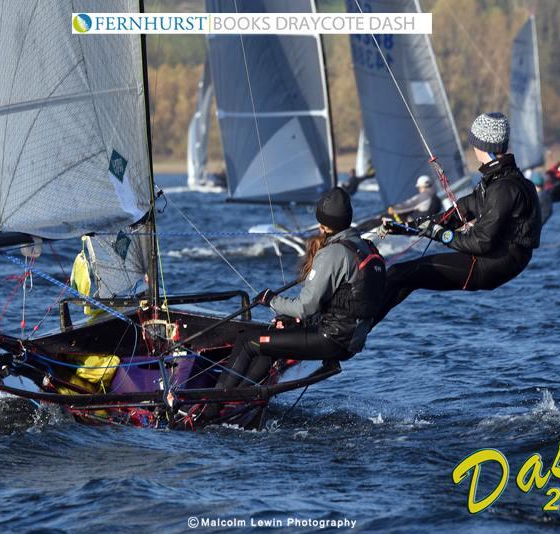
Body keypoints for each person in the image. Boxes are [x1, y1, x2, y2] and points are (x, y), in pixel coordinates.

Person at [202, 188, 386, 418]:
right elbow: (342, 301)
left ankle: (210, 407)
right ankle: (239, 399)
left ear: (324, 225)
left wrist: (271, 300)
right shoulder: (366, 246)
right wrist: (291, 318)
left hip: (331, 339)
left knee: (247, 341)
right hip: (349, 339)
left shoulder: (333, 254)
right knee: (270, 342)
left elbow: (305, 307)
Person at [376, 112, 542, 320]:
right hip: (492, 259)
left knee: (400, 273)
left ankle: (357, 325)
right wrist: (406, 227)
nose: (473, 149)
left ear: (483, 146)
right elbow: (456, 214)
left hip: (495, 263)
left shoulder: (505, 188)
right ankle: (364, 324)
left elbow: (481, 242)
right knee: (405, 276)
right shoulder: (495, 181)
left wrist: (440, 234)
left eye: (474, 143)